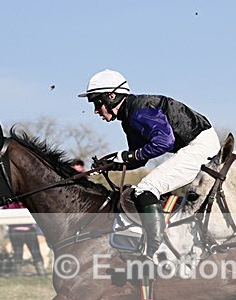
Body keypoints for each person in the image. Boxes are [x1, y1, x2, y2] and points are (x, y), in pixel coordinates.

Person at [78, 69, 220, 259]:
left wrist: (125, 157)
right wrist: (112, 164)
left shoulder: (139, 111)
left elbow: (163, 143)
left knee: (146, 189)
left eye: (97, 102)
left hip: (200, 147)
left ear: (111, 96)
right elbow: (139, 158)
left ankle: (152, 250)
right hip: (197, 145)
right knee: (144, 188)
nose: (96, 110)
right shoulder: (129, 117)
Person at [4, 201, 46, 276]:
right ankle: (40, 273)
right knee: (21, 253)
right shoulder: (18, 202)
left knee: (31, 252)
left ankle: (40, 273)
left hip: (23, 230)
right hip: (20, 231)